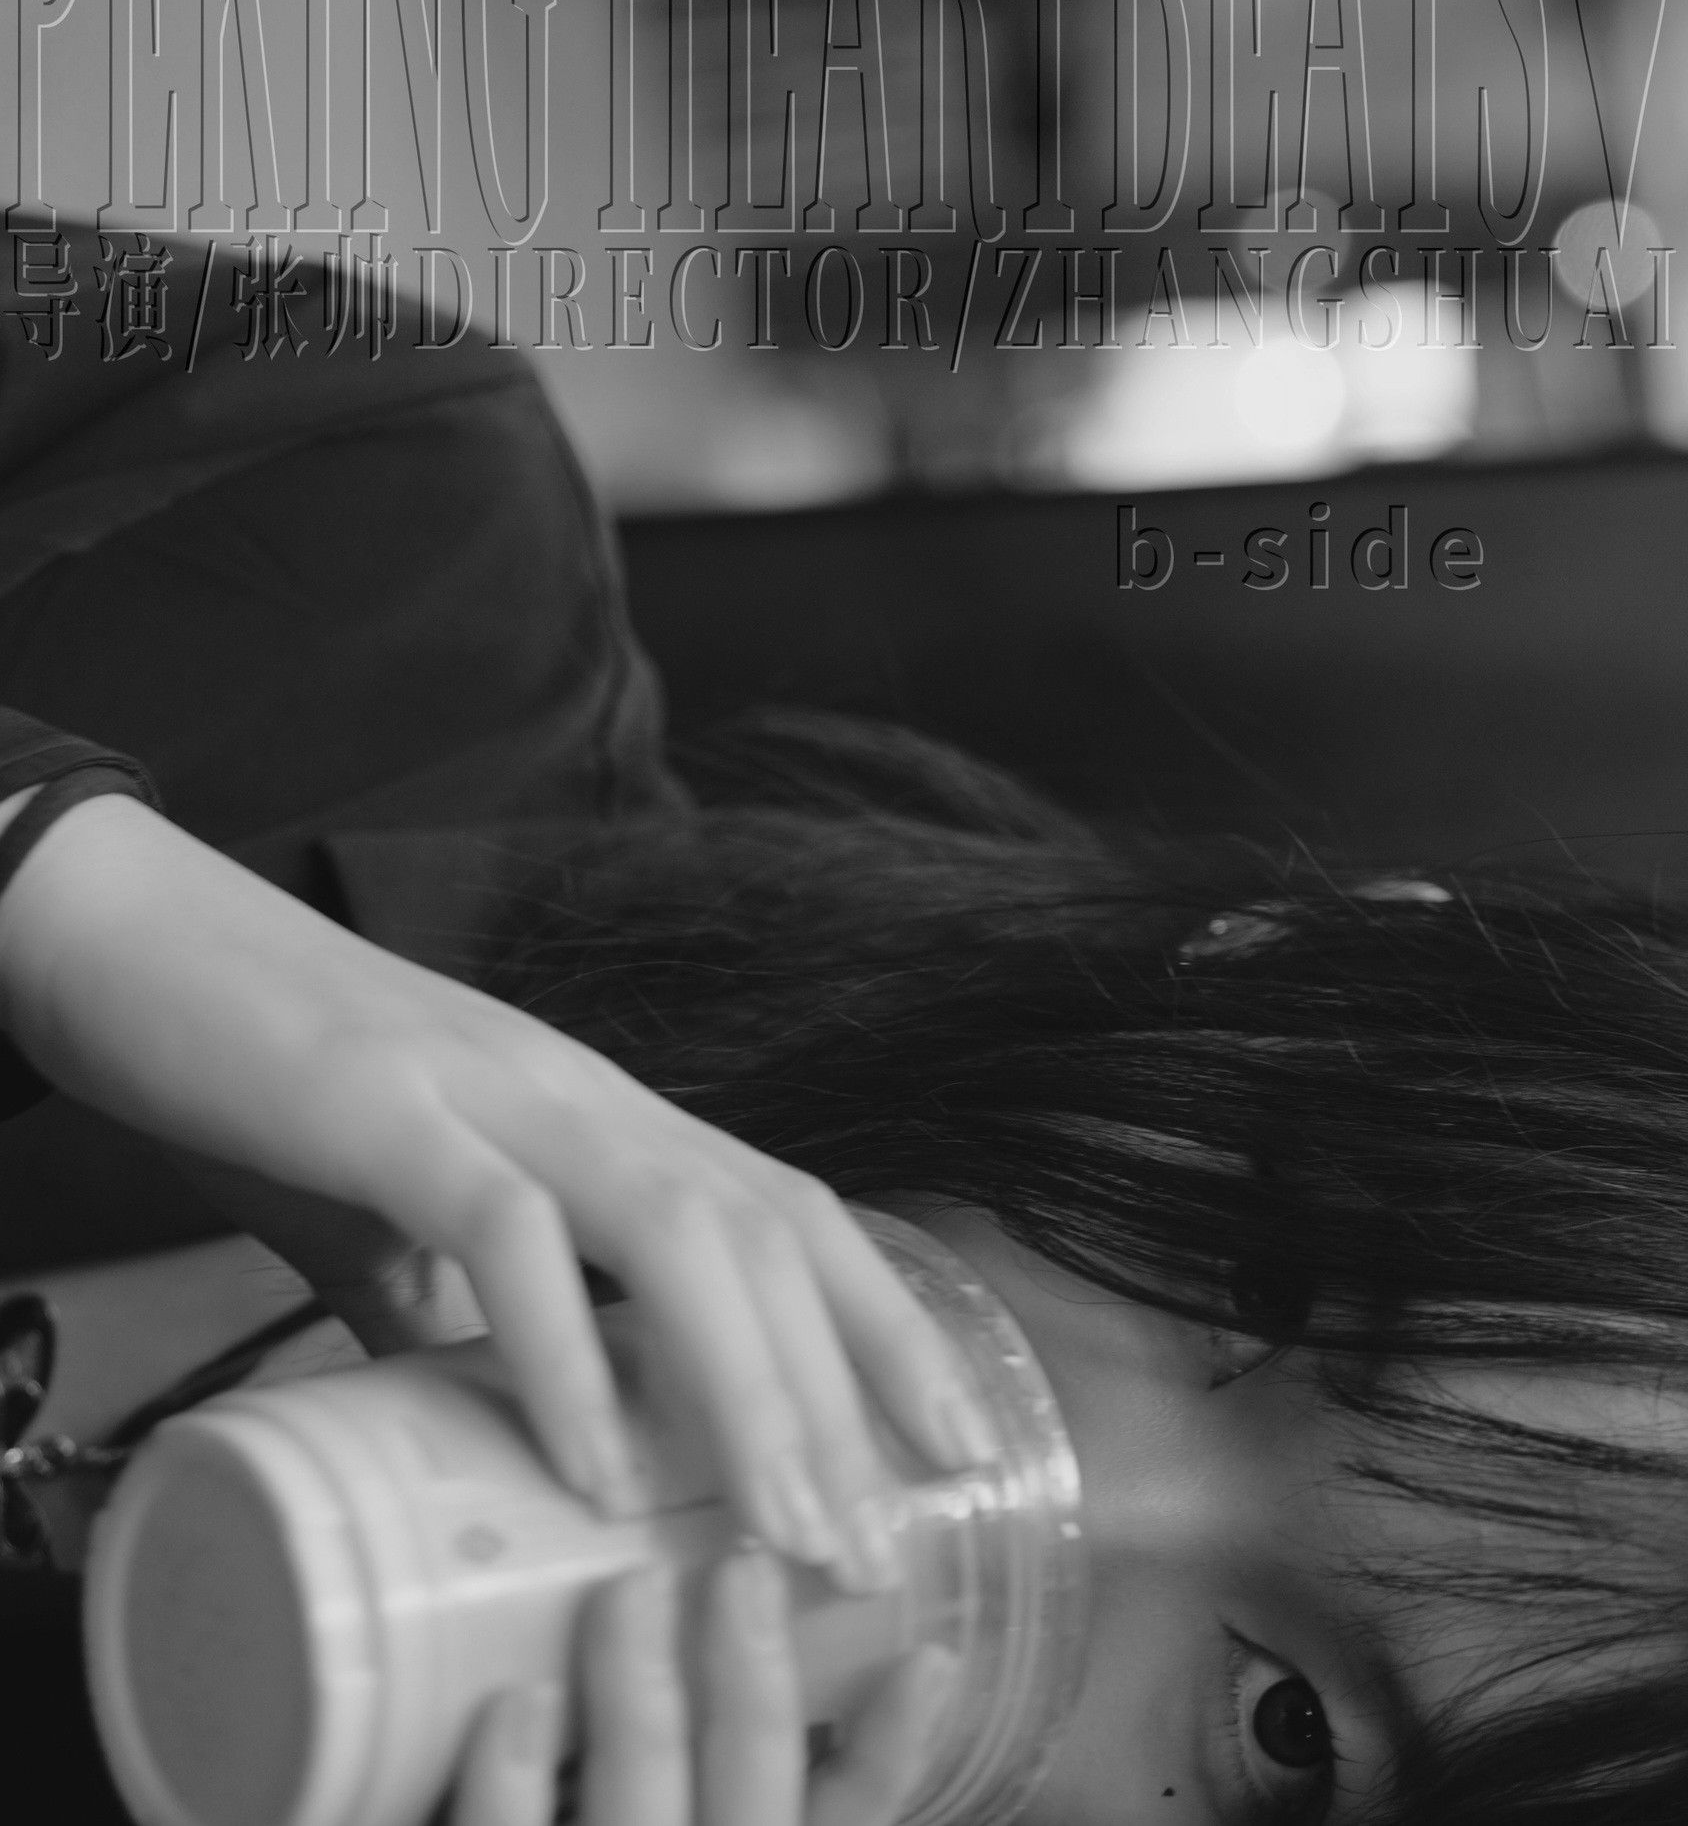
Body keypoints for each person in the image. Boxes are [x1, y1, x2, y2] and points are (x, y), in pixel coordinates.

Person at [0, 230, 1682, 1826]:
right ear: (1291, 965)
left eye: (1284, 1732)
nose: (1038, 1485)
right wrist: (57, 883)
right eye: (1261, 1284)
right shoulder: (359, 519)